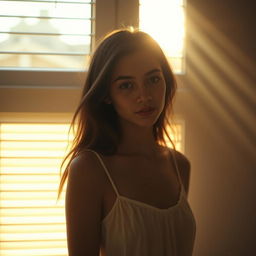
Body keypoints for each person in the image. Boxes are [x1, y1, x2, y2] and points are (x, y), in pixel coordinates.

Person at [57, 28, 196, 256]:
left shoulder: (180, 166)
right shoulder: (89, 170)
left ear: (166, 82)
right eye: (126, 85)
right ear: (106, 95)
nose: (145, 96)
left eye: (153, 79)